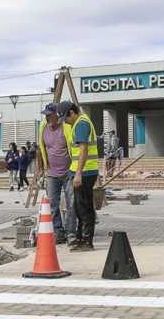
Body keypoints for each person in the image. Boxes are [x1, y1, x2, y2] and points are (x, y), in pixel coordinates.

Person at [56, 101, 99, 252]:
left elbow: (83, 150)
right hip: (80, 171)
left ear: (72, 113)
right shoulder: (79, 123)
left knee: (84, 208)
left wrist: (78, 173)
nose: (65, 122)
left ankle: (87, 241)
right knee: (79, 208)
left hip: (85, 172)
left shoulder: (81, 124)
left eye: (65, 118)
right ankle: (81, 239)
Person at [38, 102, 75, 244]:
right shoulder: (43, 127)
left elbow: (74, 147)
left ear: (57, 115)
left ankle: (71, 233)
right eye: (46, 115)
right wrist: (41, 169)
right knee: (52, 204)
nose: (47, 118)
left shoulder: (66, 127)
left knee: (71, 204)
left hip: (68, 172)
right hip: (51, 173)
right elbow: (40, 148)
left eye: (50, 115)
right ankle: (58, 233)